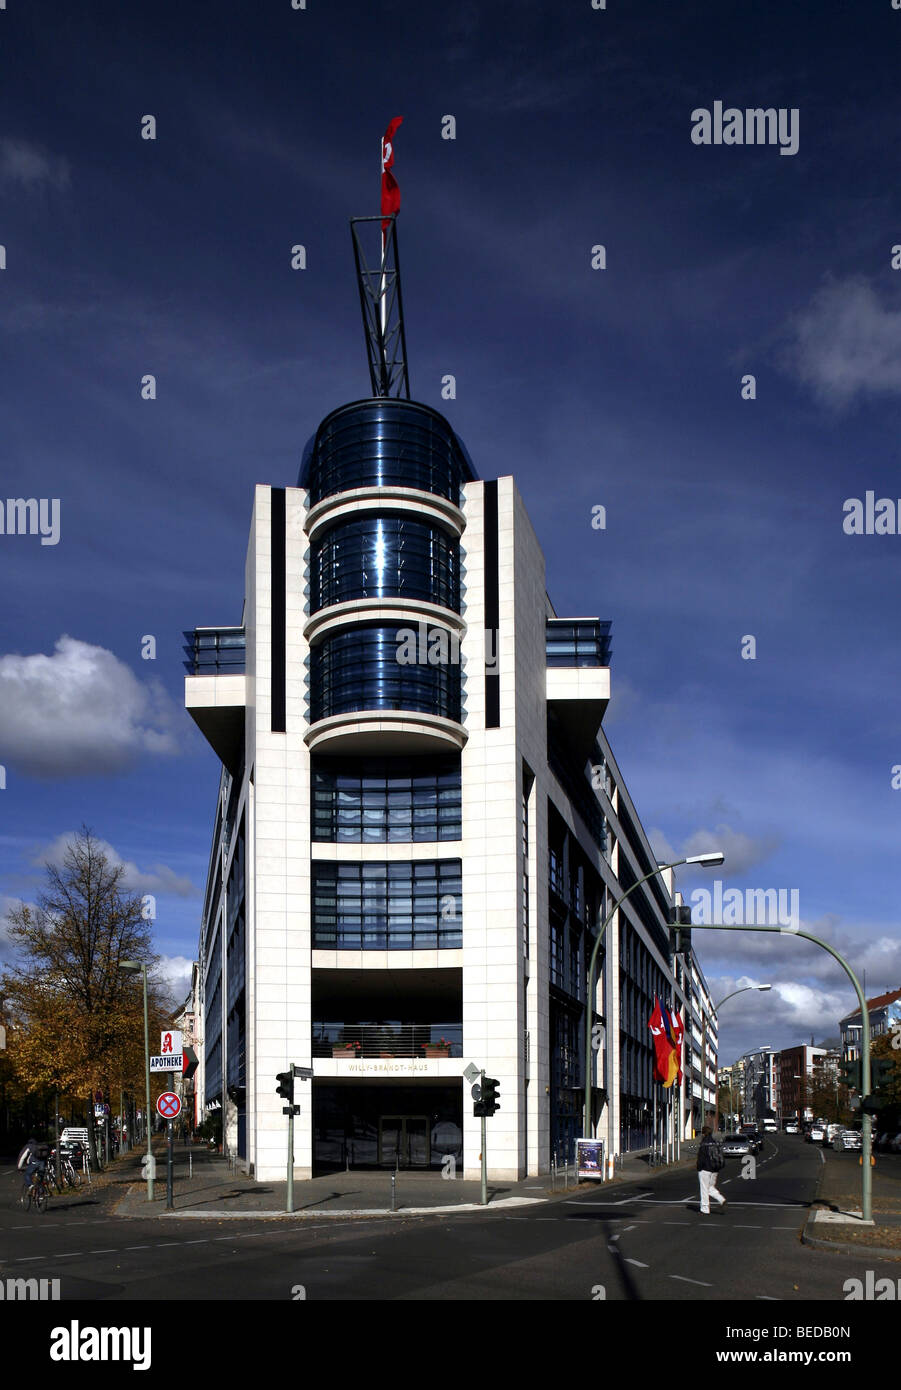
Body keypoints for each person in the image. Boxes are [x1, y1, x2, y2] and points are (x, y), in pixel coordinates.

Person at [696, 1125, 727, 1214]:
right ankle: (721, 1200)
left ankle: (705, 1209)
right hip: (715, 1169)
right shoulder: (715, 1142)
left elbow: (701, 1158)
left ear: (703, 1133)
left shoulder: (704, 1143)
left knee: (704, 1189)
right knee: (710, 1187)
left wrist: (699, 1168)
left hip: (705, 1169)